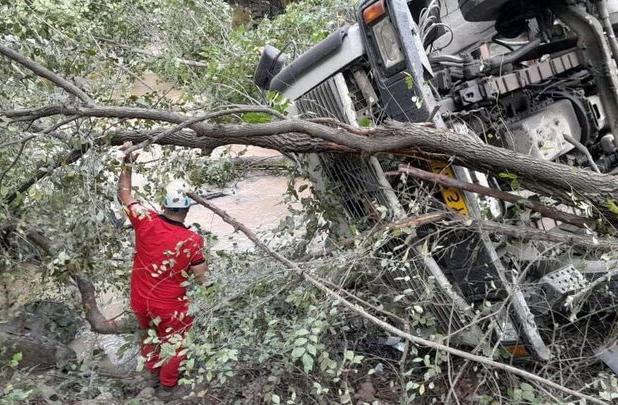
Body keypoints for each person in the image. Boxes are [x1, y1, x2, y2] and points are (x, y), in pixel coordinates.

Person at [117, 143, 207, 393]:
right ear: (188, 208)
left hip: (140, 300)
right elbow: (202, 278)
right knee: (176, 343)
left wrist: (127, 162)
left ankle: (152, 375)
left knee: (148, 334)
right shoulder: (192, 241)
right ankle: (167, 387)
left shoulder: (145, 220)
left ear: (163, 204)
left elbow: (124, 195)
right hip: (170, 306)